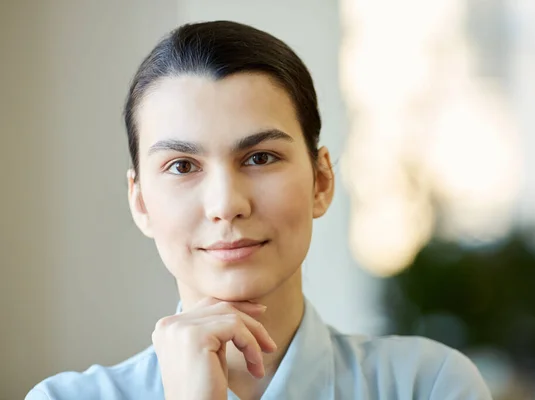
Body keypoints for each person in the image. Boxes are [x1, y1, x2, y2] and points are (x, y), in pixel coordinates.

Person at [26, 21, 492, 400]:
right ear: (141, 201)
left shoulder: (427, 385)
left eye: (260, 158)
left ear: (322, 181)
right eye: (182, 165)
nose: (227, 204)